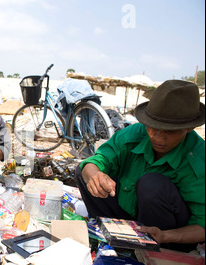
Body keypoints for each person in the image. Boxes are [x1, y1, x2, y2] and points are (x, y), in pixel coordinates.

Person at [76, 79, 205, 252]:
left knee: (151, 185)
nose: (158, 138)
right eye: (153, 127)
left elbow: (202, 227)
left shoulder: (199, 159)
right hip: (131, 220)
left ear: (190, 128)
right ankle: (115, 240)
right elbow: (97, 161)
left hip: (168, 236)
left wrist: (165, 235)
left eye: (170, 131)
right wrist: (94, 175)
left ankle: (149, 252)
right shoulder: (133, 134)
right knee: (84, 170)